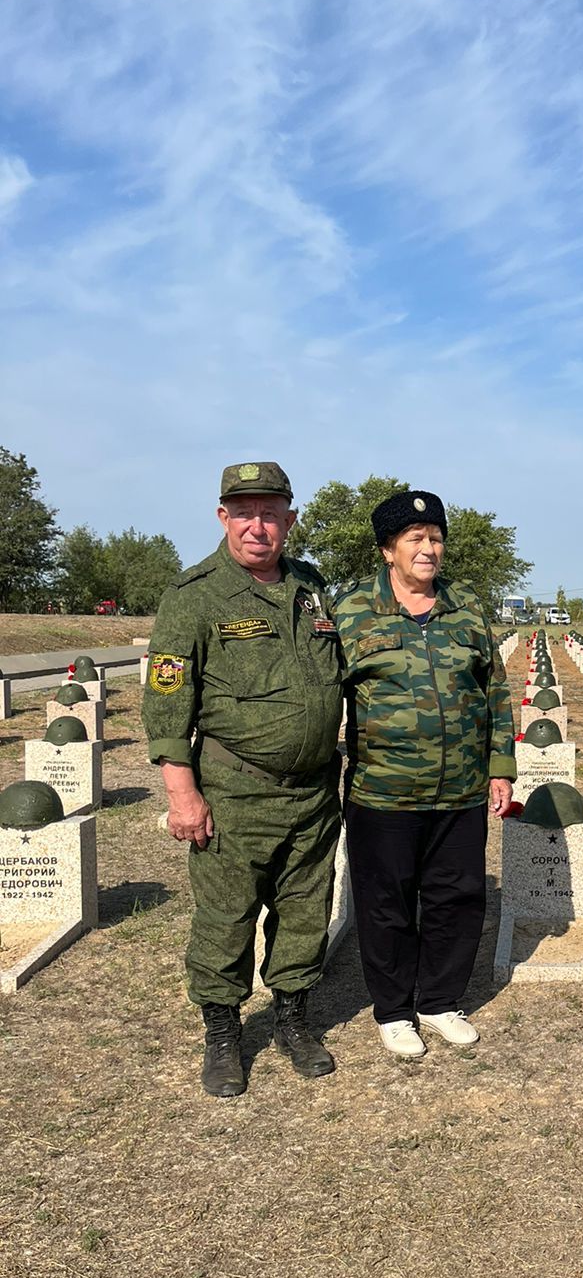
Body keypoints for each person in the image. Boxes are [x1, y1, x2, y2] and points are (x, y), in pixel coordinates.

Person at [142, 462, 345, 1098]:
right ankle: (224, 1032)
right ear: (223, 516)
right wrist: (183, 792)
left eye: (270, 512)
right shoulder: (193, 596)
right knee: (227, 918)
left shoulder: (310, 586)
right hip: (235, 792)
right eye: (244, 512)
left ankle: (292, 1019)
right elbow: (167, 698)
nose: (258, 526)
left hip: (313, 792)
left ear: (290, 518)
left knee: (305, 910)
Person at [333, 489, 516, 1060]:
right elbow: (322, 694)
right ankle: (393, 1011)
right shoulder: (349, 614)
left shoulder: (467, 612)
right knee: (385, 902)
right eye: (415, 539)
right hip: (381, 791)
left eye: (435, 538)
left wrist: (500, 767)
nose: (429, 548)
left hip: (459, 789)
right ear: (388, 549)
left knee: (456, 898)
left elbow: (495, 692)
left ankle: (439, 1001)